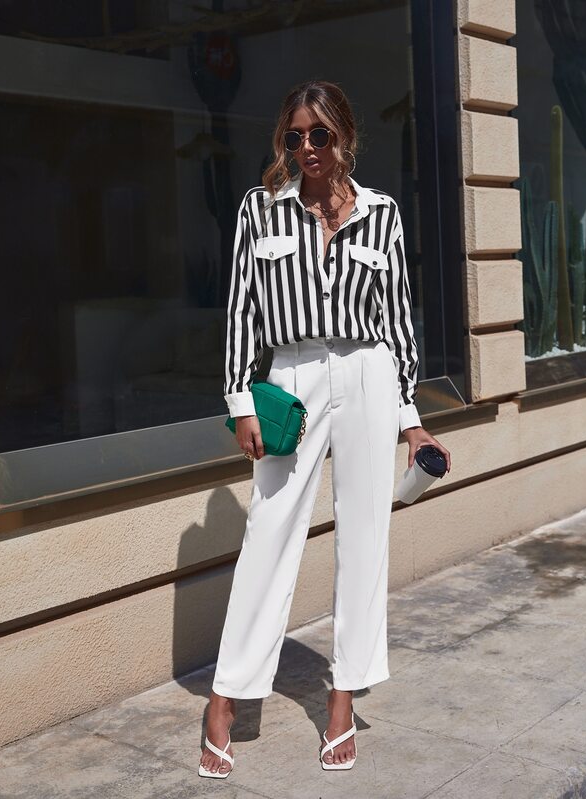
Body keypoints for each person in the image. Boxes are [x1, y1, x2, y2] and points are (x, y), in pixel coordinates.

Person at [198, 78, 451, 778]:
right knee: (268, 534)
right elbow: (241, 310)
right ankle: (225, 697)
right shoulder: (261, 209)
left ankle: (342, 697)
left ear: (345, 136)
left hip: (369, 374)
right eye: (294, 136)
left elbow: (397, 322)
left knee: (366, 538)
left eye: (319, 135)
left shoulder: (382, 214)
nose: (306, 147)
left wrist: (412, 423)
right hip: (292, 378)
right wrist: (241, 402)